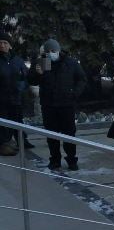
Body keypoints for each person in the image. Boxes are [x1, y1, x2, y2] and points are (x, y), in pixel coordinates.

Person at [28, 39, 87, 170]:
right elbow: (31, 80)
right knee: (51, 134)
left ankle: (72, 160)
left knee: (69, 134)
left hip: (67, 104)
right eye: (48, 51)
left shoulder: (70, 63)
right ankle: (55, 160)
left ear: (59, 50)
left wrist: (74, 94)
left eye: (53, 51)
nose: (50, 53)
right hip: (49, 105)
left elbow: (82, 79)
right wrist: (37, 74)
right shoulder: (43, 62)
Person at [0, 33, 30, 155]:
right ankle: (4, 144)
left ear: (10, 45)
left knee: (17, 121)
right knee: (4, 123)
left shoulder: (17, 60)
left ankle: (22, 141)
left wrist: (22, 86)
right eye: (0, 43)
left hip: (15, 97)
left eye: (5, 43)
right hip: (1, 99)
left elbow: (26, 76)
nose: (2, 45)